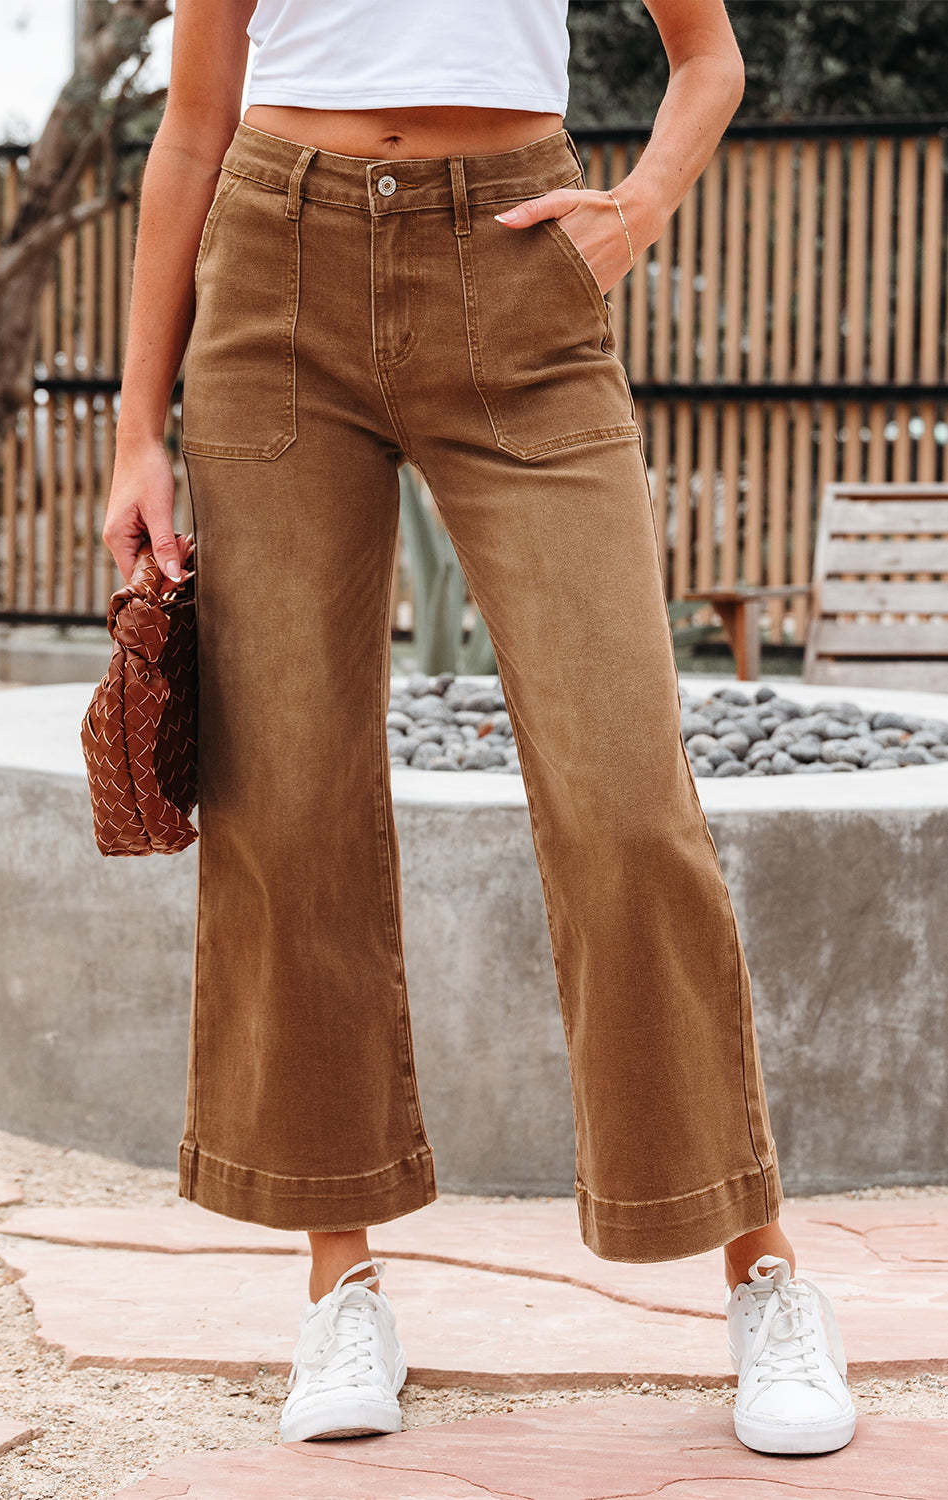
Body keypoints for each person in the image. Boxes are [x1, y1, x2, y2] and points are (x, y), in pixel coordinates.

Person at [101, 0, 857, 1461]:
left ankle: (760, 1267)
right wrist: (138, 430)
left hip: (516, 265)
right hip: (273, 276)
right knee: (289, 804)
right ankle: (340, 1283)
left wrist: (643, 201)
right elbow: (191, 127)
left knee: (627, 800)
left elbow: (708, 57)